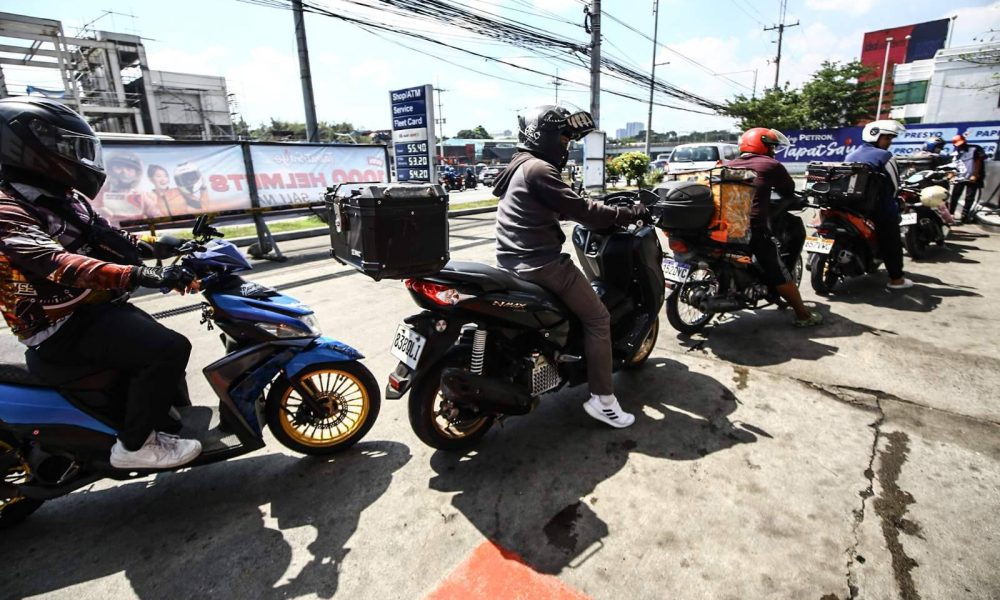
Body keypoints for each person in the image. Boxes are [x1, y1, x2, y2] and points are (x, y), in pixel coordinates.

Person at [0, 96, 203, 469]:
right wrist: (138, 274)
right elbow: (56, 263)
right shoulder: (7, 209)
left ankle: (159, 421)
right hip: (58, 326)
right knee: (169, 349)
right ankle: (135, 446)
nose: (78, 157)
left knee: (158, 345)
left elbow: (107, 236)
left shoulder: (65, 198)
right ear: (31, 148)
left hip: (91, 308)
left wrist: (158, 246)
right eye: (68, 147)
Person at [492, 104, 647, 429]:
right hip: (541, 264)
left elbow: (554, 206)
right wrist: (629, 213)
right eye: (563, 139)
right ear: (543, 136)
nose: (565, 146)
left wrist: (584, 208)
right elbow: (585, 212)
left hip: (510, 261)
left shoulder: (519, 167)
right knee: (598, 318)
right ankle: (603, 400)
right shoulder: (539, 169)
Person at [726, 127, 822, 327]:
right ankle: (803, 315)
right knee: (779, 271)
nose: (773, 151)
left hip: (724, 226)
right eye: (771, 147)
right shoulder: (770, 165)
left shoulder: (730, 164)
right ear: (762, 146)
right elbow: (788, 189)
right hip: (752, 228)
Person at [846, 119, 912, 290]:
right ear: (875, 136)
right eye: (887, 138)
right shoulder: (885, 156)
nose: (889, 142)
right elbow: (895, 186)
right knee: (892, 240)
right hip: (878, 208)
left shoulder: (851, 155)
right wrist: (896, 202)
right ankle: (896, 279)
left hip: (851, 206)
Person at [949, 134, 986, 224]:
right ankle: (950, 214)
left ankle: (964, 216)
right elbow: (956, 164)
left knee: (969, 197)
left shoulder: (975, 149)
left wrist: (975, 175)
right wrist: (952, 175)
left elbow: (978, 162)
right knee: (955, 196)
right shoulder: (957, 151)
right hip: (960, 177)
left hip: (972, 177)